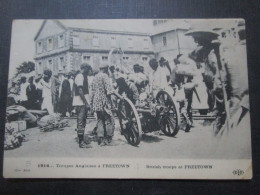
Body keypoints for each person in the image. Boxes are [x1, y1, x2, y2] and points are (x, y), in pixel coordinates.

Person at [90, 63, 115, 146]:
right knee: (110, 120)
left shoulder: (95, 77)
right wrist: (111, 102)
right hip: (104, 101)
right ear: (106, 69)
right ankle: (108, 138)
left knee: (100, 120)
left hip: (96, 101)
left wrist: (91, 103)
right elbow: (109, 90)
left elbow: (92, 91)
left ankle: (100, 139)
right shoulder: (105, 76)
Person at [73, 63, 92, 148]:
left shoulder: (82, 76)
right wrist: (86, 103)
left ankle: (82, 139)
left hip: (82, 102)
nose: (89, 71)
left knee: (83, 121)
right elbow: (80, 91)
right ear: (85, 68)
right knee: (81, 121)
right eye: (88, 69)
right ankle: (81, 142)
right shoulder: (80, 76)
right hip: (80, 103)